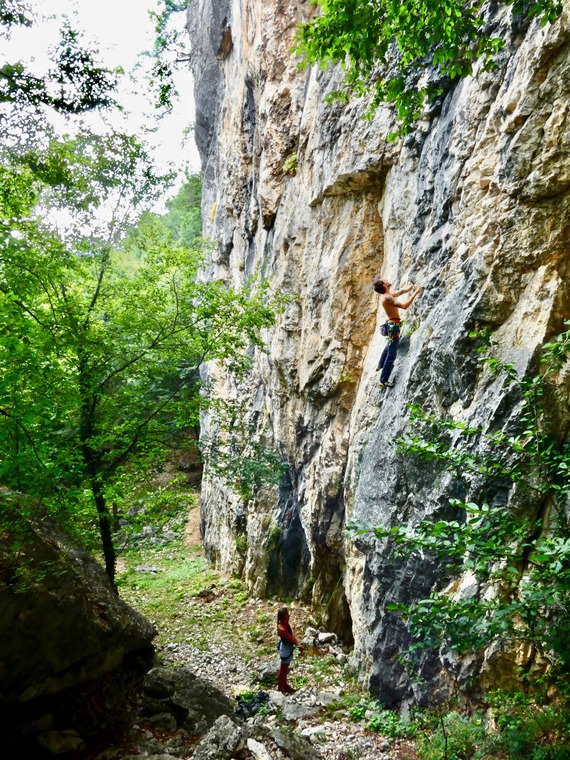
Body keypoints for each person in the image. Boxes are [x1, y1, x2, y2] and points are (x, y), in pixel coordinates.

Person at [374, 277, 423, 388]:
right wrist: (416, 292)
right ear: (384, 285)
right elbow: (404, 306)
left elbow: (401, 291)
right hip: (393, 327)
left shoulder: (387, 295)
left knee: (389, 344)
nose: (387, 280)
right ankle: (383, 380)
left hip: (392, 325)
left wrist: (411, 287)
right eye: (385, 280)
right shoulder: (387, 298)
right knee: (391, 354)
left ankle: (380, 364)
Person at [276, 606, 304, 694]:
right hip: (285, 650)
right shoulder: (282, 629)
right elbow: (291, 639)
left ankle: (285, 685)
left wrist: (298, 644)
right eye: (287, 614)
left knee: (285, 668)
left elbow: (292, 637)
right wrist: (299, 645)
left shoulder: (285, 624)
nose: (289, 615)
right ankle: (280, 688)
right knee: (283, 670)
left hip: (288, 647)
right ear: (283, 617)